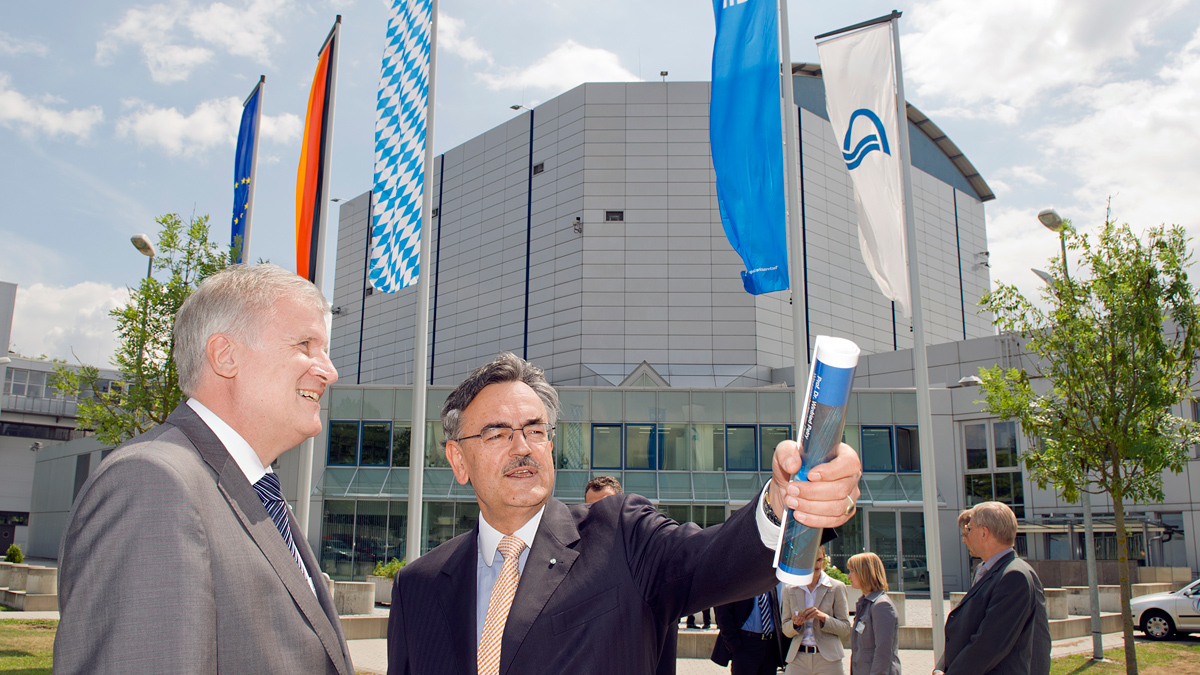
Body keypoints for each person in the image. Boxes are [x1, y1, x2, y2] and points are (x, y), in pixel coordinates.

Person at [386, 352, 863, 675]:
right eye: (497, 433)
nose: (522, 447)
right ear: (457, 459)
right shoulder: (419, 587)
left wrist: (780, 503)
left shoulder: (619, 535)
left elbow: (711, 559)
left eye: (535, 430)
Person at [53, 264, 353, 675]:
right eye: (305, 344)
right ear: (225, 356)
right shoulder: (152, 484)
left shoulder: (254, 490)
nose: (329, 371)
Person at [934, 501, 1051, 675]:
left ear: (983, 533)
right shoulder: (990, 571)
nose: (965, 536)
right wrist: (941, 668)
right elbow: (968, 631)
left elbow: (989, 644)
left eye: (969, 528)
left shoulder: (1014, 576)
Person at [780, 546, 850, 675]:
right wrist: (795, 624)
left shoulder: (836, 587)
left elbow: (845, 628)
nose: (817, 564)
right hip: (798, 658)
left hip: (828, 660)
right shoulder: (790, 589)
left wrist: (823, 618)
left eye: (820, 559)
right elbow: (785, 629)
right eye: (812, 560)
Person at [847, 552, 900, 675]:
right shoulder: (865, 603)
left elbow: (883, 651)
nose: (849, 576)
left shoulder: (881, 605)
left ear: (864, 573)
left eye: (852, 571)